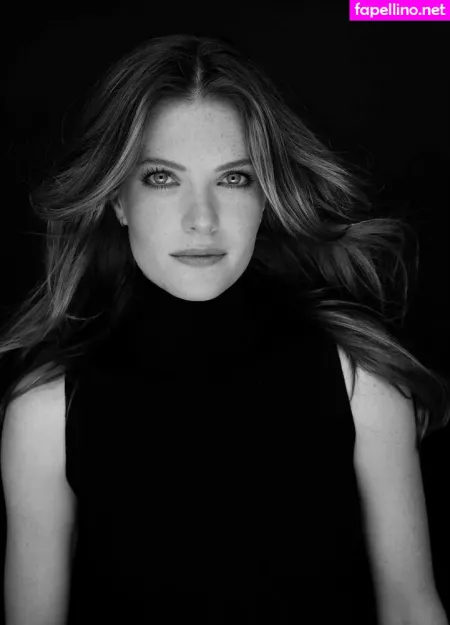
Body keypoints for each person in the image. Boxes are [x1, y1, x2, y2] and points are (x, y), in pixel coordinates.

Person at [0, 33, 449, 625]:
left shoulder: (361, 384)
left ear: (268, 196)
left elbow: (411, 610)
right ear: (117, 200)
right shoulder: (44, 416)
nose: (202, 220)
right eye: (162, 178)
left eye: (234, 178)